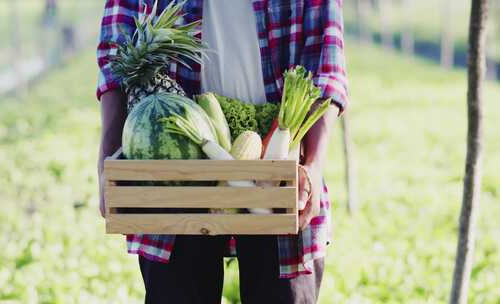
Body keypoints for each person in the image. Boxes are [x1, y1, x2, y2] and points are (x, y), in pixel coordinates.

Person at [97, 0, 348, 303]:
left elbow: (326, 67)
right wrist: (108, 160)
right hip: (176, 170)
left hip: (278, 168)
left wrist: (315, 164)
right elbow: (116, 52)